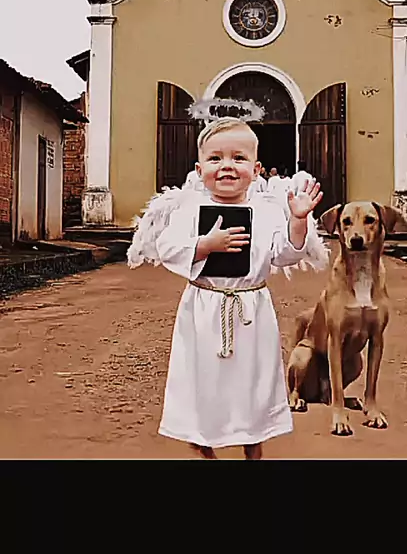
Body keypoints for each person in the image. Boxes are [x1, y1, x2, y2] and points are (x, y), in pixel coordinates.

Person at [128, 116, 325, 460]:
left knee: (252, 380)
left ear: (256, 169)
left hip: (251, 311)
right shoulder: (190, 209)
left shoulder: (266, 211)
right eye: (215, 158)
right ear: (199, 168)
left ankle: (253, 441)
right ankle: (204, 442)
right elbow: (168, 247)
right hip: (204, 309)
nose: (227, 166)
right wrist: (205, 245)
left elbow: (285, 253)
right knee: (205, 379)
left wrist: (298, 220)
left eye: (239, 158)